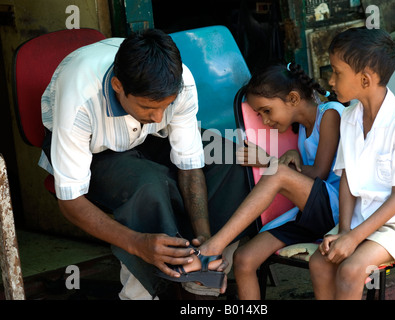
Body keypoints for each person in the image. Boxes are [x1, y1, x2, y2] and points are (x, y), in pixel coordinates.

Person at [39, 28, 253, 299]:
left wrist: (204, 240)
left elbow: (189, 163)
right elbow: (70, 202)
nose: (159, 115)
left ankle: (199, 271)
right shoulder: (80, 102)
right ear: (118, 87)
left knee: (231, 161)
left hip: (148, 137)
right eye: (148, 107)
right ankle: (142, 293)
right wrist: (138, 243)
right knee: (149, 186)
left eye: (167, 105)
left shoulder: (180, 82)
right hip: (94, 147)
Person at [170, 62, 344, 299]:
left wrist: (270, 162)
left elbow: (320, 173)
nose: (264, 120)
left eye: (267, 110)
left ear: (293, 99)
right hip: (310, 212)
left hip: (338, 211)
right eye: (260, 114)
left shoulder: (330, 113)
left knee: (278, 174)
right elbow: (307, 172)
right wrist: (291, 158)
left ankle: (211, 248)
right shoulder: (303, 128)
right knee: (244, 259)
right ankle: (215, 251)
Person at [309, 27, 395, 300]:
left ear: (365, 80)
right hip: (362, 216)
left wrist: (353, 239)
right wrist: (345, 230)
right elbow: (347, 179)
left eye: (337, 72)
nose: (330, 81)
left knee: (350, 270)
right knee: (320, 263)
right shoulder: (348, 117)